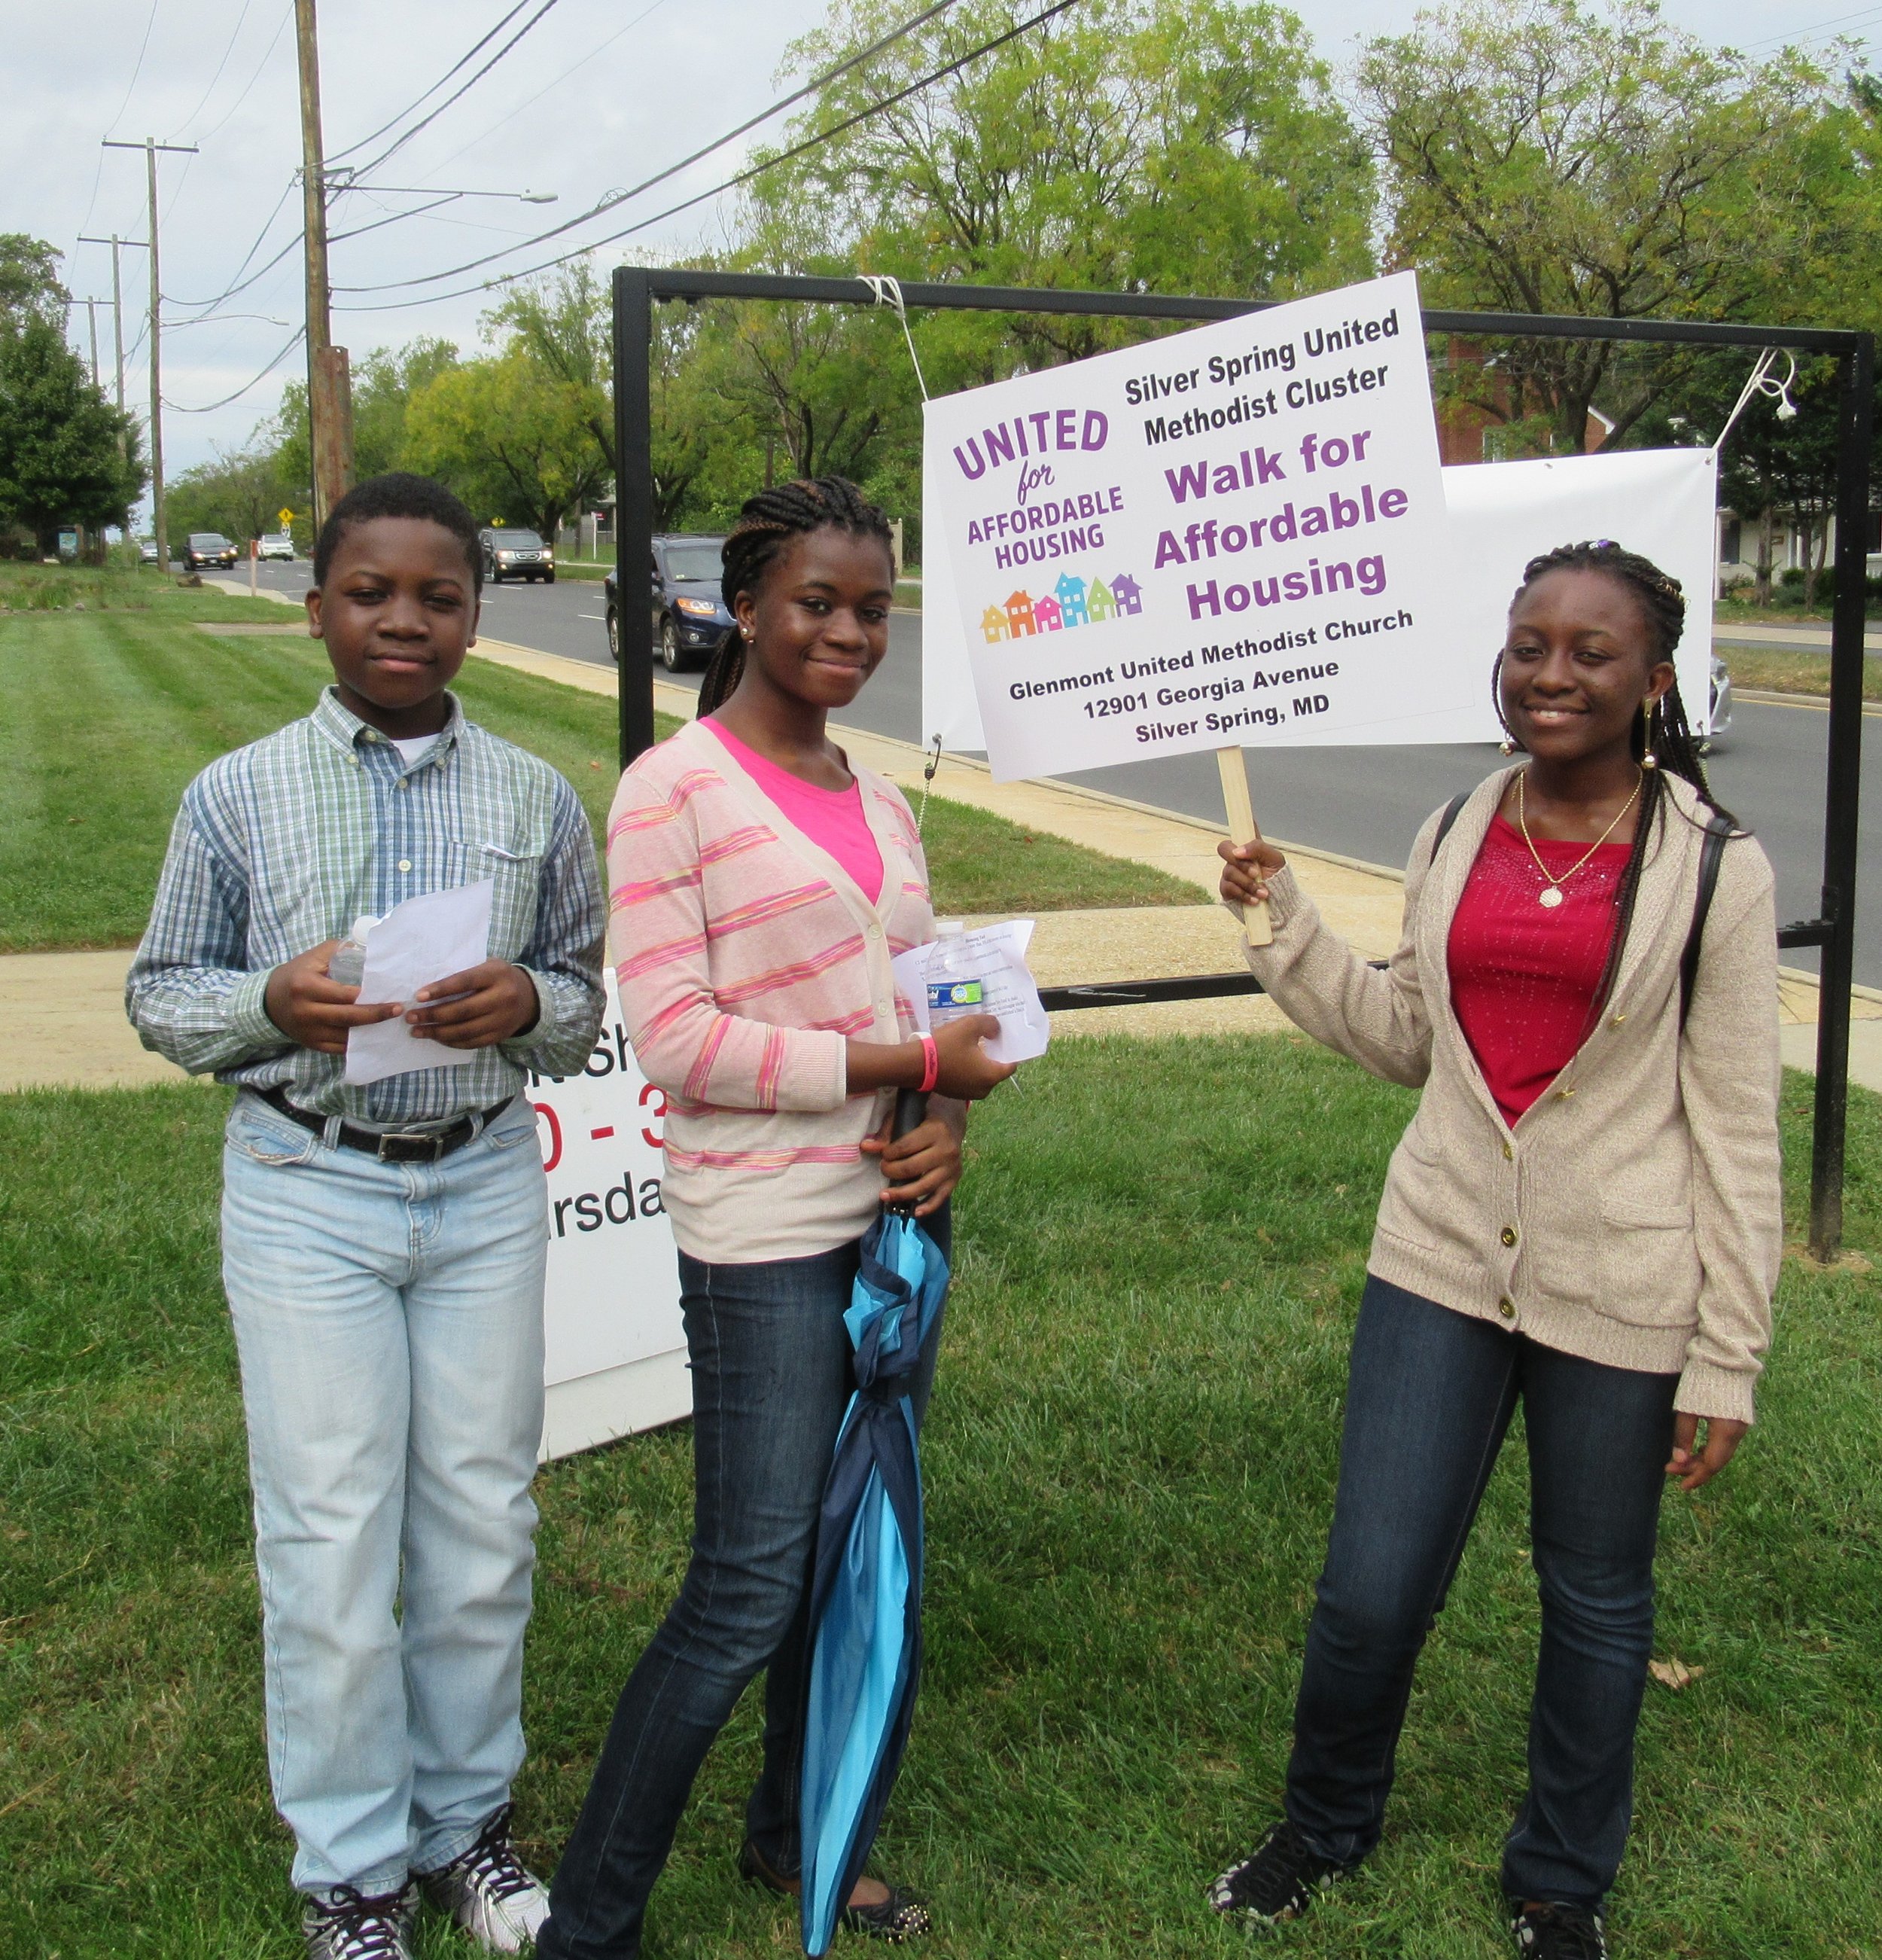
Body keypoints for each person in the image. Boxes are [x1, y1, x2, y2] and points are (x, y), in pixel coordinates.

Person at [1206, 541, 1780, 1960]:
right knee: (1371, 1582)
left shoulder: (1716, 867)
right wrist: (1284, 923)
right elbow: (1410, 1038)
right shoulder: (1460, 824)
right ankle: (1324, 1824)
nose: (1554, 675)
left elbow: (1737, 1126)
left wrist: (1728, 1354)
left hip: (1625, 1285)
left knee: (1594, 1601)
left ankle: (1558, 1884)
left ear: (1656, 680)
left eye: (1593, 652)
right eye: (1532, 645)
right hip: (1443, 1254)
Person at [126, 471, 607, 1960]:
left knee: (479, 1523)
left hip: (475, 1182)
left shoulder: (532, 796)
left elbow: (585, 1000)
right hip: (303, 1186)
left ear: (474, 609)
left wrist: (528, 997)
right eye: (369, 592)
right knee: (331, 1533)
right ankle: (351, 1869)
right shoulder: (237, 793)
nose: (404, 619)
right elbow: (160, 993)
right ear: (316, 602)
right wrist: (270, 1000)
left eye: (438, 596)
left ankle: (466, 1828)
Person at [537, 477, 1015, 1959]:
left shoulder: (874, 794)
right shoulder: (670, 790)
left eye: (871, 608)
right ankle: (592, 1919)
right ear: (739, 605)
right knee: (746, 1584)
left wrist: (940, 1122)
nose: (848, 633)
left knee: (853, 1549)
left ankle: (791, 1835)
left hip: (887, 1233)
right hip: (757, 1244)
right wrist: (896, 1068)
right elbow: (676, 1039)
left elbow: (938, 992)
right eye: (816, 601)